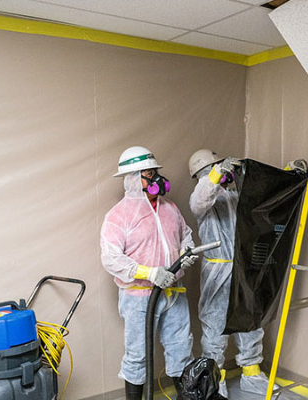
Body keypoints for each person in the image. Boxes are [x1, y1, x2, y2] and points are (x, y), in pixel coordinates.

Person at [101, 146, 199, 400]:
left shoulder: (169, 207)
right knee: (138, 355)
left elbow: (185, 234)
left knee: (181, 350)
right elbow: (111, 259)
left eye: (155, 172)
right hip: (139, 297)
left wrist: (186, 253)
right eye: (148, 173)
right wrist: (150, 272)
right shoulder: (118, 216)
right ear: (132, 179)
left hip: (174, 292)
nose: (156, 178)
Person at [187, 149, 278, 397]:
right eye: (213, 167)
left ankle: (251, 373)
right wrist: (215, 174)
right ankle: (215, 379)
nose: (222, 171)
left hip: (244, 265)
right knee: (215, 325)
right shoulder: (202, 198)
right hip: (219, 269)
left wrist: (290, 175)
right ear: (201, 174)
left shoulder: (235, 195)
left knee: (250, 320)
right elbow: (200, 199)